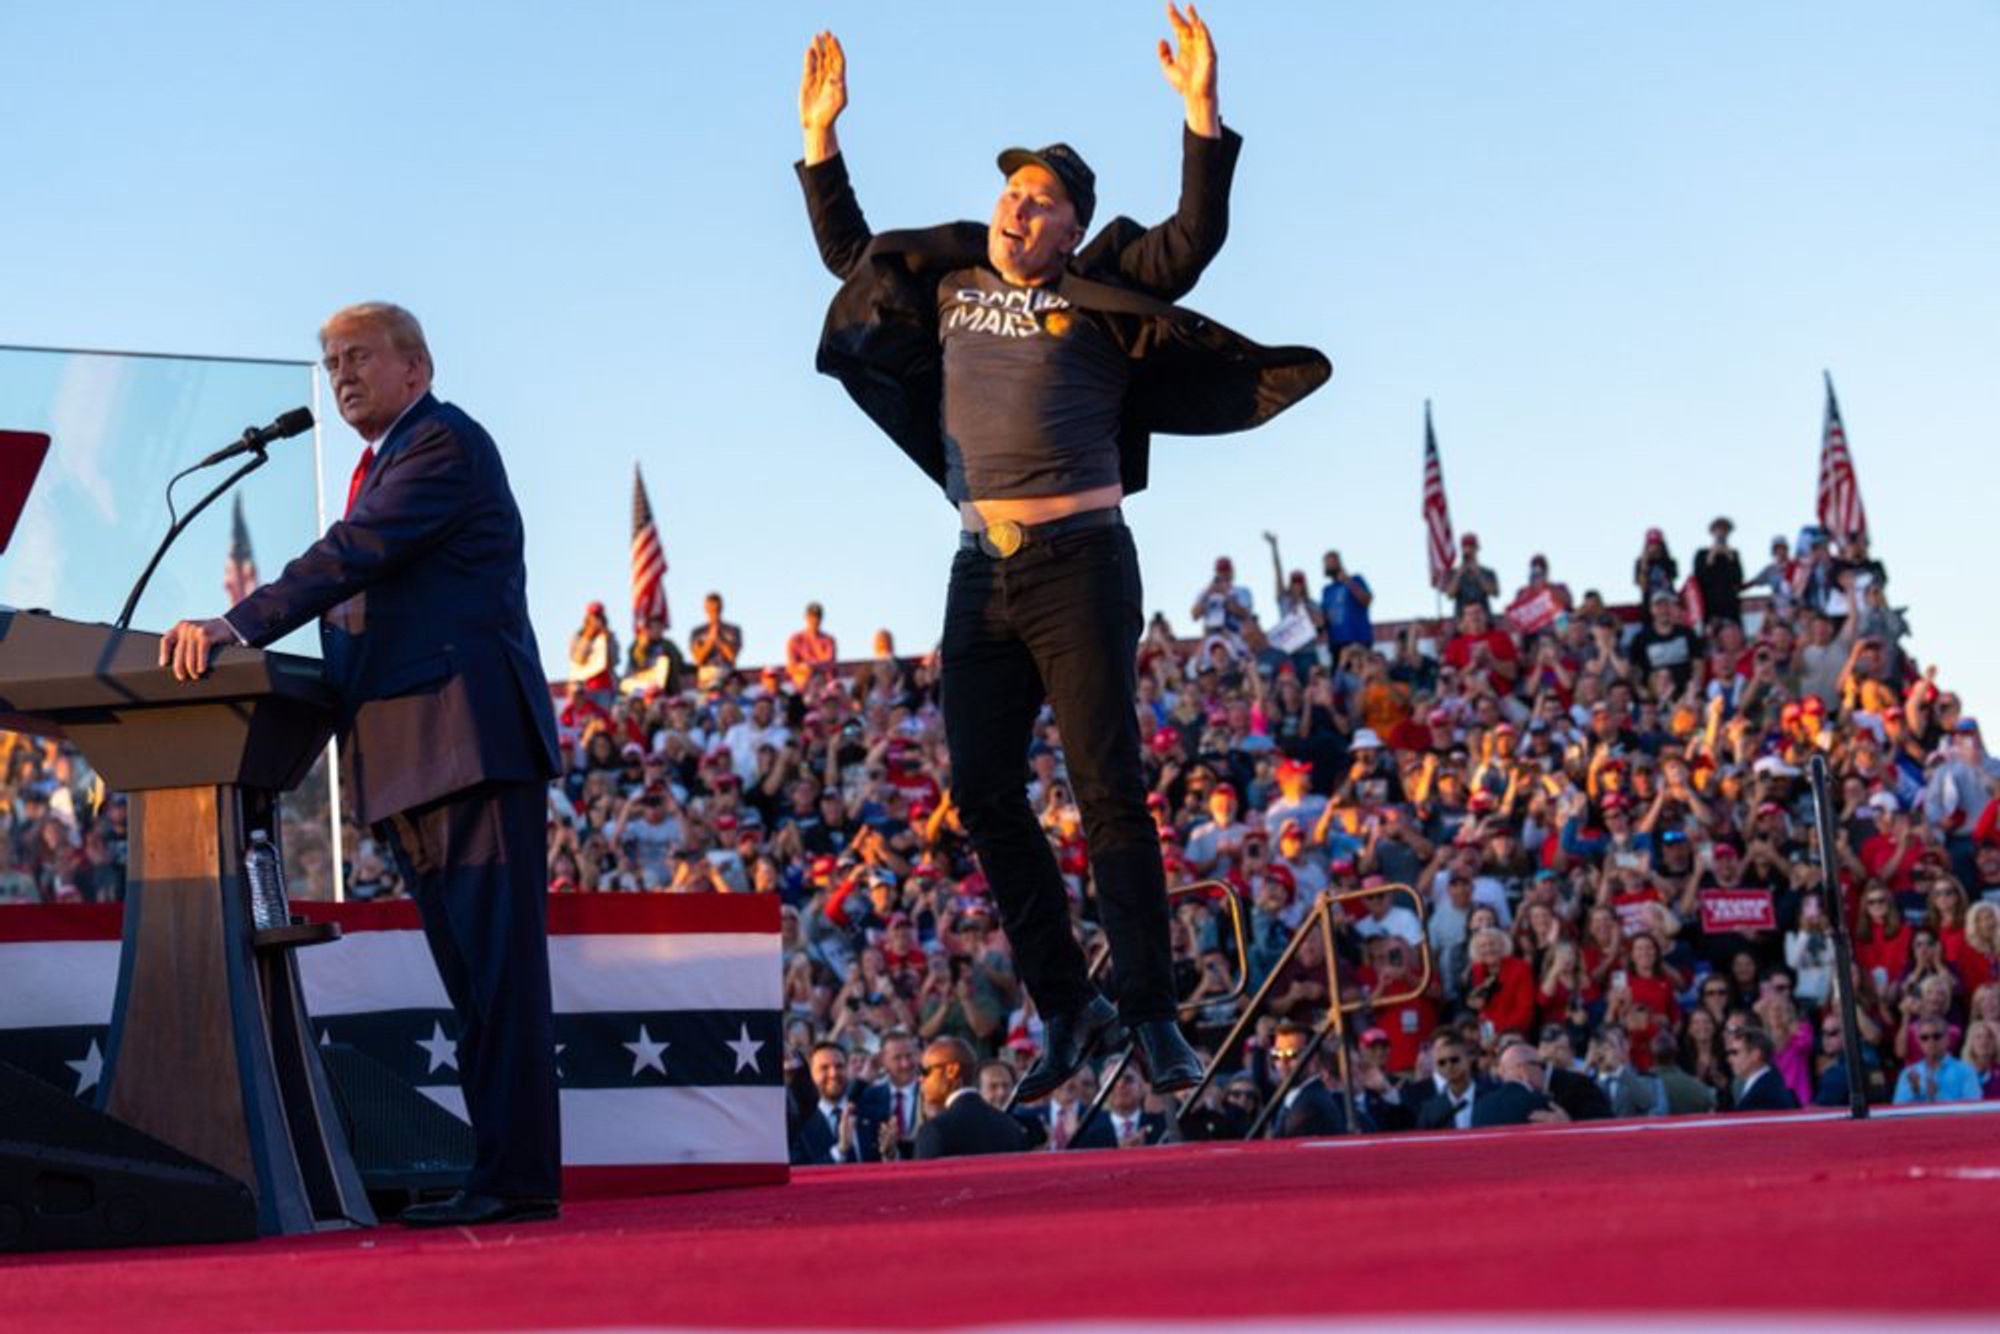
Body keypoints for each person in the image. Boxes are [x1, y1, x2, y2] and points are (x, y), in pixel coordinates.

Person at [794, 10, 1326, 1102]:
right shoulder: (948, 282)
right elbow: (856, 257)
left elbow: (1188, 242)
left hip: (1081, 559)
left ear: (1071, 226)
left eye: (1038, 200)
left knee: (1108, 789)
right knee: (984, 792)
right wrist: (820, 142)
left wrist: (1198, 113)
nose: (1014, 208)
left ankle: (1148, 1012)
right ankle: (1066, 1006)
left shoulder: (1097, 287)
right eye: (1008, 191)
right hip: (975, 567)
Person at [160, 302, 562, 1227]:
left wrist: (237, 625)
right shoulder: (383, 463)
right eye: (331, 361)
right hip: (415, 754)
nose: (341, 374)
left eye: (360, 357)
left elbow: (354, 556)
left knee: (498, 981)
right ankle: (506, 1174)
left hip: (466, 744)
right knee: (475, 985)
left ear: (416, 368)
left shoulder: (442, 446)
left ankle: (519, 1180)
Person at [914, 1038, 1028, 1159]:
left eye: (925, 1071)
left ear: (951, 1070)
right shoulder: (1011, 1127)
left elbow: (924, 1177)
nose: (920, 1079)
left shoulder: (935, 1131)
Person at [1471, 1039, 1570, 1127]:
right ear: (1523, 1068)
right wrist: (1565, 1127)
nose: (1544, 1073)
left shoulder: (1480, 1107)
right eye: (1541, 1066)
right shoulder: (1541, 1104)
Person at [1891, 1020, 1982, 1104]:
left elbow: (1973, 1109)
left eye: (1936, 1036)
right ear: (1919, 1042)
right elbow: (1899, 1111)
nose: (1930, 1041)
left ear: (1947, 1039)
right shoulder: (1909, 1073)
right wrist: (1915, 1093)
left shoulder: (1966, 1071)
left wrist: (1937, 1096)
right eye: (1924, 1038)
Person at [1725, 1026, 1800, 1112]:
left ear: (1755, 1054)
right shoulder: (1771, 1083)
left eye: (1735, 1053)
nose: (1729, 1060)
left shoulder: (1762, 1096)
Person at [689, 591, 743, 691]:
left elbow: (732, 657)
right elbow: (698, 659)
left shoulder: (733, 630)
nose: (713, 612)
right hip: (706, 674)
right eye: (710, 609)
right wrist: (710, 640)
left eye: (716, 609)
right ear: (705, 609)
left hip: (726, 672)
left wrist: (719, 640)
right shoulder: (697, 632)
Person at [568, 601, 619, 699]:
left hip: (606, 688)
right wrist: (588, 637)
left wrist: (608, 641)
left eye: (599, 617)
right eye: (594, 617)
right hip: (584, 687)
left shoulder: (609, 637)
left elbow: (615, 661)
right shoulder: (578, 637)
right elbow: (577, 659)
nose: (596, 620)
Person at [785, 601, 839, 692]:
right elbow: (791, 666)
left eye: (818, 617)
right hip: (802, 682)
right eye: (812, 616)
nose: (815, 620)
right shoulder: (795, 639)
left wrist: (811, 666)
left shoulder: (829, 640)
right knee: (802, 677)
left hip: (823, 683)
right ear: (806, 617)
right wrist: (805, 669)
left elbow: (830, 663)